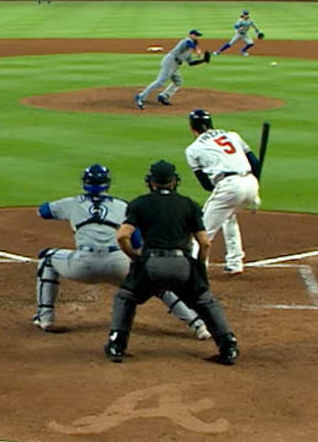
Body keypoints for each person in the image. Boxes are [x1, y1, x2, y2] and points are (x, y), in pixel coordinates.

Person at [33, 163, 213, 340]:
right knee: (157, 283)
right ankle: (198, 325)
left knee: (47, 259)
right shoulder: (123, 205)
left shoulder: (71, 203)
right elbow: (135, 240)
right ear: (108, 183)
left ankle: (45, 317)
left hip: (82, 265)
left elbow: (43, 211)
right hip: (119, 264)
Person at [107, 160, 238, 365]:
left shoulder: (140, 203)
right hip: (182, 266)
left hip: (151, 265)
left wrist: (136, 258)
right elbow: (205, 243)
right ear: (174, 181)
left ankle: (117, 344)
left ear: (151, 182)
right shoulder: (189, 204)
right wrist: (198, 267)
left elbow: (123, 236)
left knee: (126, 297)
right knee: (205, 300)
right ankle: (228, 345)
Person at [183, 109, 262, 277]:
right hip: (250, 182)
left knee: (202, 231)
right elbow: (255, 163)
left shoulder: (193, 149)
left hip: (230, 186)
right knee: (229, 217)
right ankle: (235, 262)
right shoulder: (233, 135)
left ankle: (196, 272)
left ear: (192, 128)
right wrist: (253, 191)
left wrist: (227, 193)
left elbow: (205, 184)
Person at [135, 29, 209, 109]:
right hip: (170, 61)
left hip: (175, 65)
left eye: (198, 36)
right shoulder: (186, 41)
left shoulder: (189, 51)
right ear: (191, 35)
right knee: (160, 82)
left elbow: (191, 63)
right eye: (196, 35)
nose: (197, 38)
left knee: (178, 81)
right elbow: (189, 43)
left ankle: (163, 96)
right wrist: (197, 50)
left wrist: (203, 60)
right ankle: (141, 96)